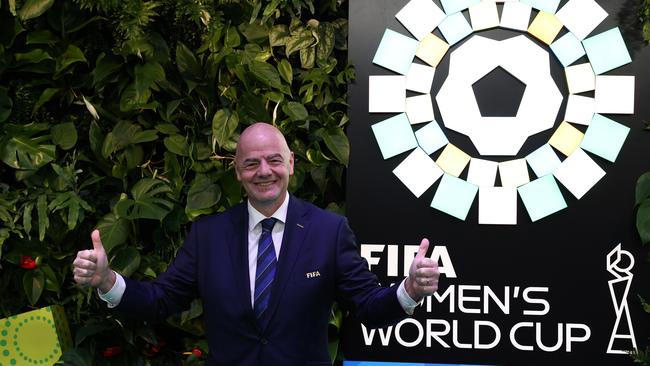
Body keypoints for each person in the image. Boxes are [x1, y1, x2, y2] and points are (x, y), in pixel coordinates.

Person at [73, 122, 440, 365]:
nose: (263, 171)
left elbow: (366, 307)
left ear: (291, 164)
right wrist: (107, 280)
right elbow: (159, 302)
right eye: (251, 163)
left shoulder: (329, 231)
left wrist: (409, 289)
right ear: (237, 171)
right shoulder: (208, 236)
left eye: (274, 160)